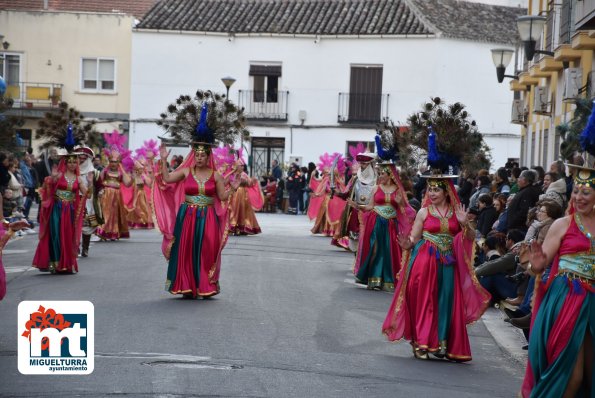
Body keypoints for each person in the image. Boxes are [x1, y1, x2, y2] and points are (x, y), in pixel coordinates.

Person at [382, 174, 491, 361]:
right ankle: (421, 342)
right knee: (426, 301)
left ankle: (441, 342)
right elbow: (414, 238)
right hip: (425, 261)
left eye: (436, 190)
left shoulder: (456, 213)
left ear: (446, 191)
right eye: (430, 190)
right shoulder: (423, 212)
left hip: (448, 264)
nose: (431, 193)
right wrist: (406, 245)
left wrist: (466, 224)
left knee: (446, 300)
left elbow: (470, 238)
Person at [153, 99, 243, 299]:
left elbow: (222, 196)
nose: (200, 157)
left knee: (206, 249)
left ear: (208, 155)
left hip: (208, 216)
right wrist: (164, 160)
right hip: (187, 215)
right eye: (197, 153)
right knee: (185, 249)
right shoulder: (185, 171)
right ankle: (185, 284)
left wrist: (234, 189)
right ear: (193, 153)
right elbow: (166, 179)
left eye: (203, 154)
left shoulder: (216, 175)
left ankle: (204, 284)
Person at [520, 164, 595, 397]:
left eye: (586, 192)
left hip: (591, 304)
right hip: (566, 302)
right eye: (576, 191)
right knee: (570, 377)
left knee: (590, 376)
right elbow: (537, 266)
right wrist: (537, 265)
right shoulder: (563, 224)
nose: (579, 197)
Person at [353, 163, 415, 291]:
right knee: (374, 248)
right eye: (380, 173)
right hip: (376, 221)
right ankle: (373, 279)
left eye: (383, 173)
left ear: (390, 175)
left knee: (389, 250)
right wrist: (358, 206)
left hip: (391, 224)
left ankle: (388, 280)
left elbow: (406, 210)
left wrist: (400, 203)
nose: (380, 176)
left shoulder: (398, 190)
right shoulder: (376, 188)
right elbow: (370, 206)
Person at [32, 148, 90, 273]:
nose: (72, 164)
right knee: (56, 235)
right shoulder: (59, 176)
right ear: (65, 162)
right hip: (57, 209)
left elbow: (88, 195)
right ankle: (55, 263)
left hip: (70, 211)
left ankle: (66, 264)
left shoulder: (79, 179)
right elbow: (47, 187)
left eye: (75, 162)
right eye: (70, 162)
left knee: (68, 237)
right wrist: (51, 179)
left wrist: (90, 184)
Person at [335, 152, 377, 252]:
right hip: (356, 213)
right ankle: (357, 264)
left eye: (364, 164)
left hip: (372, 213)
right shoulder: (355, 179)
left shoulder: (378, 180)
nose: (361, 166)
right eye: (360, 163)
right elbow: (348, 194)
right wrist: (338, 193)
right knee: (356, 242)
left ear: (370, 164)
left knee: (371, 242)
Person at [97, 132, 133, 240]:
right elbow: (99, 179)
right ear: (109, 161)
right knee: (105, 214)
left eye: (116, 162)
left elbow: (128, 184)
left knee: (114, 215)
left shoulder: (121, 173)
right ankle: (102, 231)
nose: (113, 163)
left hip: (117, 196)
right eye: (111, 161)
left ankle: (113, 233)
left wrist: (134, 177)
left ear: (119, 162)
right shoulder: (106, 171)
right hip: (105, 195)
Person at [77, 146, 103, 257]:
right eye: (80, 158)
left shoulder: (94, 173)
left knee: (87, 227)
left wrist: (100, 191)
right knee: (74, 226)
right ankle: (75, 248)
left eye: (84, 158)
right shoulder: (72, 171)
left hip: (89, 203)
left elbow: (100, 186)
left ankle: (85, 248)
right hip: (75, 201)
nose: (81, 160)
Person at [228, 163, 263, 235]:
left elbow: (249, 184)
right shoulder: (232, 174)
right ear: (236, 166)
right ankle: (232, 227)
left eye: (243, 166)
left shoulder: (244, 174)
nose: (242, 167)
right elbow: (229, 183)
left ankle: (242, 228)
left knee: (243, 210)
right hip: (234, 194)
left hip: (244, 195)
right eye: (241, 166)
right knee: (234, 210)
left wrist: (253, 181)